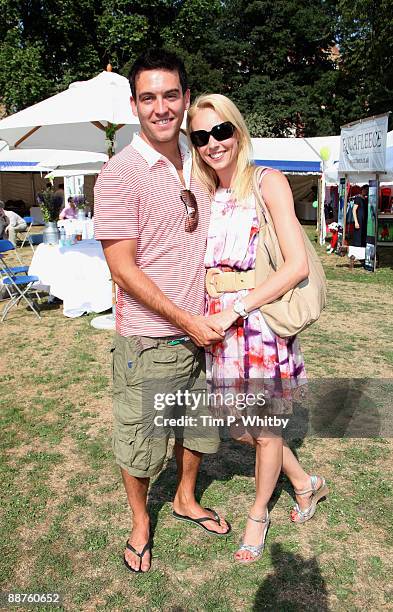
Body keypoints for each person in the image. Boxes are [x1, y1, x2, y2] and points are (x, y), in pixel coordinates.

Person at [93, 50, 229, 574]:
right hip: (150, 341)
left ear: (186, 98)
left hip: (204, 336)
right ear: (134, 105)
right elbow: (123, 269)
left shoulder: (201, 161)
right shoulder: (120, 173)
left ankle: (186, 498)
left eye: (170, 95)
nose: (161, 108)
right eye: (148, 98)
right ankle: (140, 522)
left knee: (196, 431)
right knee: (141, 443)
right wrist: (187, 320)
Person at [187, 93, 328, 564]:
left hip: (257, 325)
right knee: (237, 424)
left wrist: (238, 308)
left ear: (238, 130)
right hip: (216, 325)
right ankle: (305, 483)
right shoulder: (204, 193)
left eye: (221, 130)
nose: (213, 143)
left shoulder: (268, 182)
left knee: (265, 430)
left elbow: (295, 265)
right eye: (201, 136)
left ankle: (258, 513)